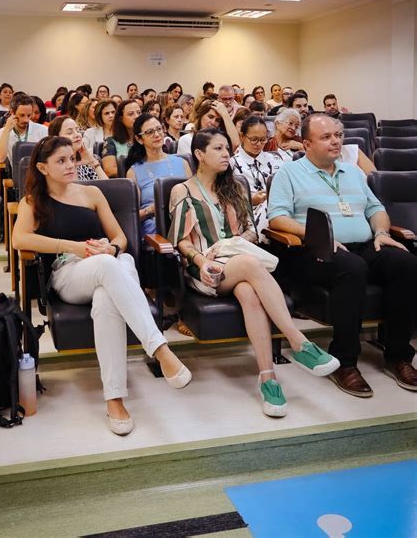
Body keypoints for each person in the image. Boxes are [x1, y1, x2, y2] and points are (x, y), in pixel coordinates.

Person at [12, 137, 192, 436]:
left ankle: (115, 399)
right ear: (43, 167)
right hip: (68, 273)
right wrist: (77, 247)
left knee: (109, 292)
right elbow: (20, 239)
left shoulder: (92, 193)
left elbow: (121, 238)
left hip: (108, 265)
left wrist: (111, 249)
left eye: (72, 158)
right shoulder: (34, 201)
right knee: (114, 268)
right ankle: (159, 349)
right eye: (61, 161)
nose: (70, 165)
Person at [168, 129, 339, 417]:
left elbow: (250, 229)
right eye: (218, 149)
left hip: (238, 261)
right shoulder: (183, 190)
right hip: (206, 270)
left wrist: (231, 243)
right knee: (251, 265)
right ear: (199, 155)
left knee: (249, 293)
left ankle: (268, 379)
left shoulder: (235, 185)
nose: (226, 154)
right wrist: (202, 259)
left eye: (227, 148)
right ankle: (299, 342)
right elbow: (180, 241)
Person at [268, 113, 417, 397]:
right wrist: (317, 236)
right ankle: (345, 362)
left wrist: (383, 234)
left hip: (363, 245)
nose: (335, 142)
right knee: (352, 268)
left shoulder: (352, 173)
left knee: (406, 263)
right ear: (306, 143)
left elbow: (376, 210)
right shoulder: (290, 173)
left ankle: (398, 355)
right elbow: (277, 218)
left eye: (338, 136)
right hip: (314, 251)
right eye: (326, 137)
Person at [126, 114, 192, 236]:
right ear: (139, 139)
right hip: (156, 232)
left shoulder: (183, 163)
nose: (156, 135)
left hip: (187, 224)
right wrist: (150, 210)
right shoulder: (134, 172)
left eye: (159, 129)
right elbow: (130, 217)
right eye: (149, 132)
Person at [231, 115, 282, 240]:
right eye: (253, 139)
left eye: (263, 140)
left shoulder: (275, 160)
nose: (258, 144)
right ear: (242, 136)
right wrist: (251, 200)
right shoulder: (232, 164)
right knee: (269, 207)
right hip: (246, 214)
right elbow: (228, 199)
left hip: (277, 210)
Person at [0, 94, 47, 166]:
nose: (26, 120)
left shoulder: (43, 130)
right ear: (12, 112)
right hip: (16, 175)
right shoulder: (1, 133)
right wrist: (7, 131)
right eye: (22, 115)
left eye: (29, 115)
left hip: (38, 172)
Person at [48, 116, 107, 181]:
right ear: (56, 138)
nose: (77, 135)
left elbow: (108, 188)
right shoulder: (54, 165)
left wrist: (93, 162)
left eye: (77, 130)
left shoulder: (87, 163)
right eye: (69, 133)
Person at [102, 99, 141, 177]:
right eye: (131, 114)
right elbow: (109, 171)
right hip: (126, 183)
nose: (136, 116)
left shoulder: (147, 137)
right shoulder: (111, 142)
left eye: (139, 113)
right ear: (121, 118)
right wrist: (138, 172)